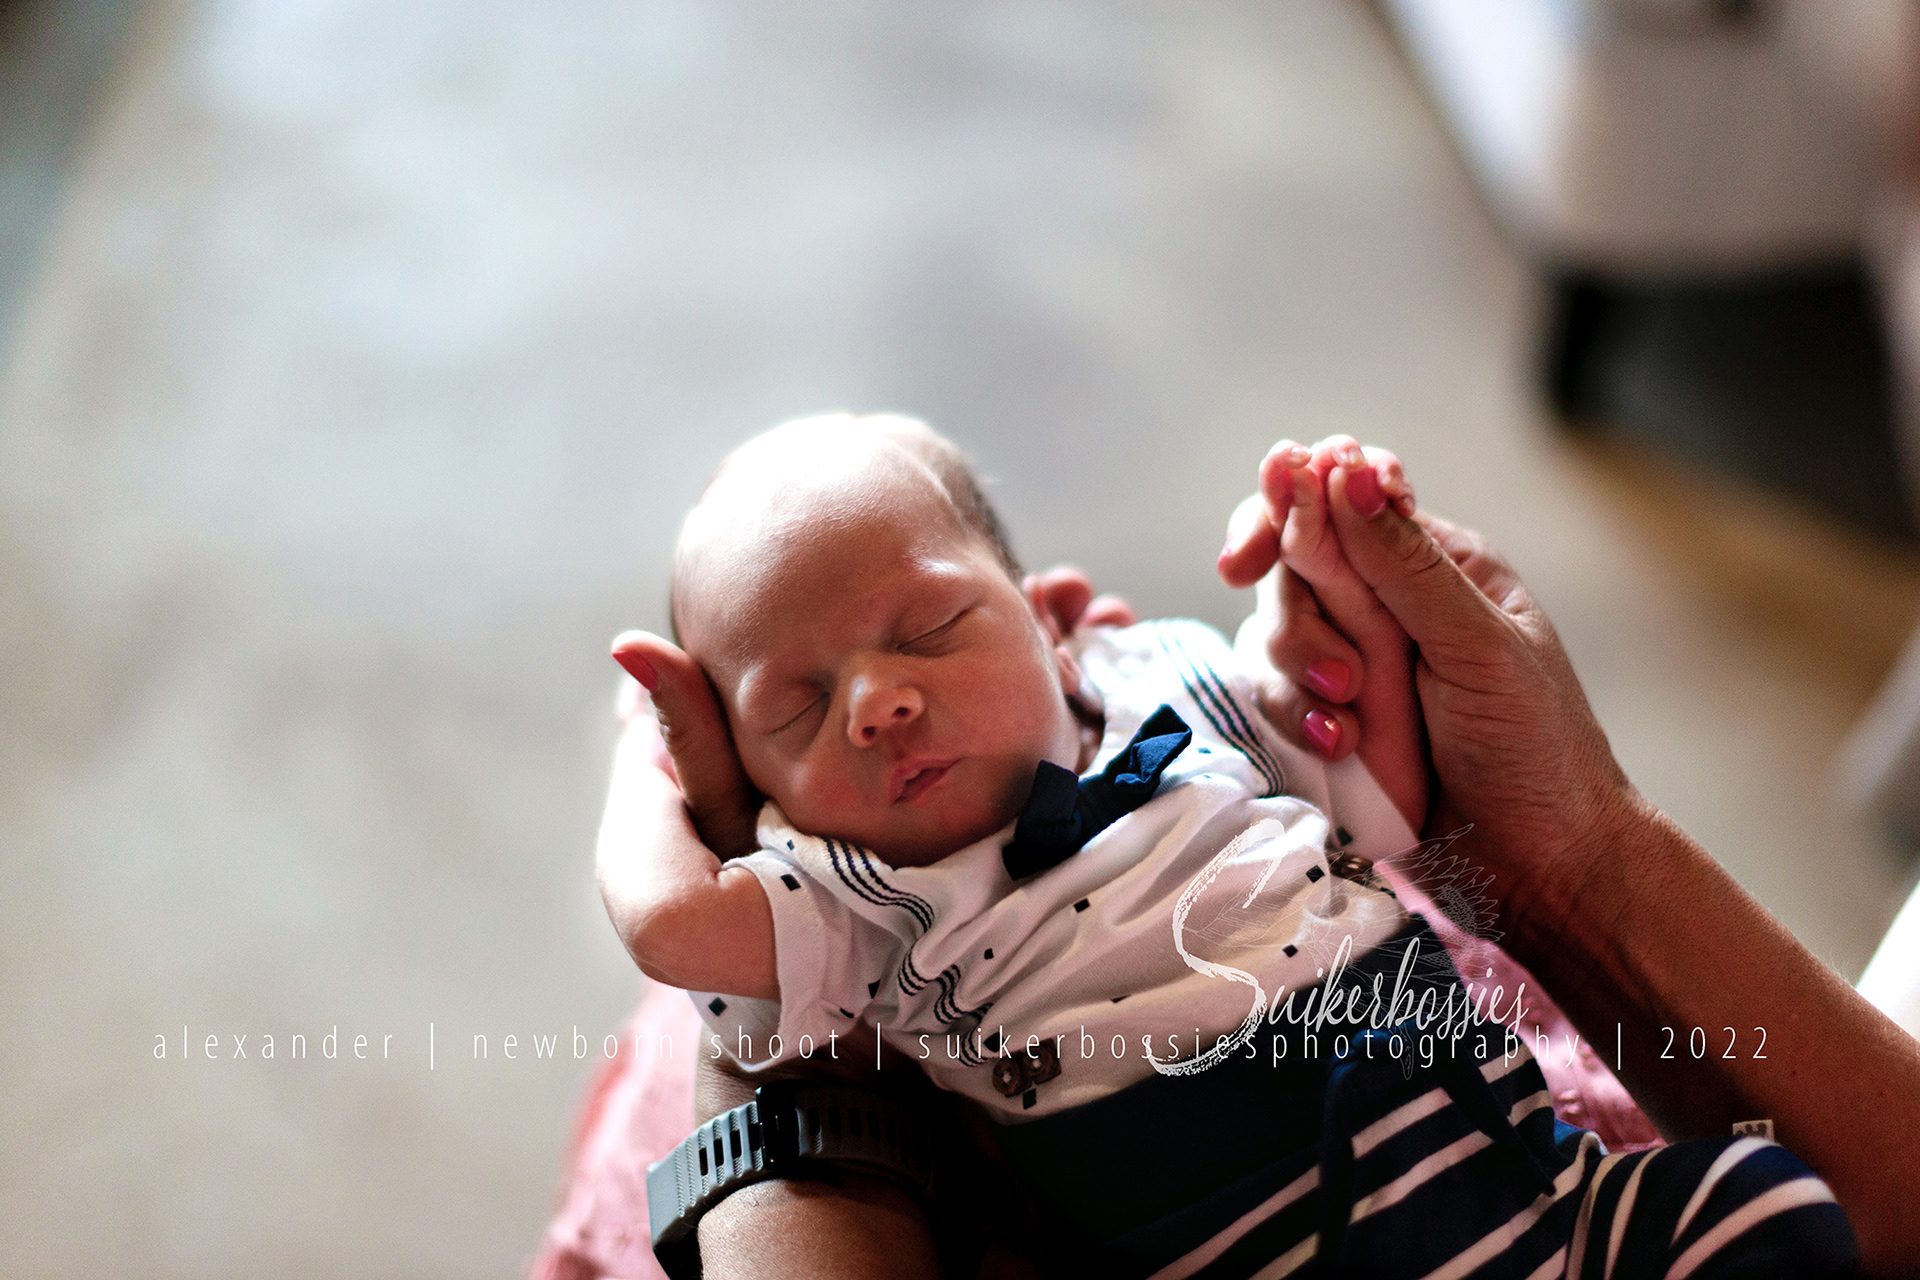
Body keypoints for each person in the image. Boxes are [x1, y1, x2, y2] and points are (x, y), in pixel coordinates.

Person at [590, 414, 1880, 1277]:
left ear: (1053, 627)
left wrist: (1323, 579)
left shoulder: (1169, 690)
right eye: (798, 710)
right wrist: (649, 773)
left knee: (1770, 1206)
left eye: (928, 629)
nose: (877, 702)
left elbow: (1350, 760)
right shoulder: (865, 902)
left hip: (1541, 1199)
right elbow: (672, 927)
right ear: (769, 806)